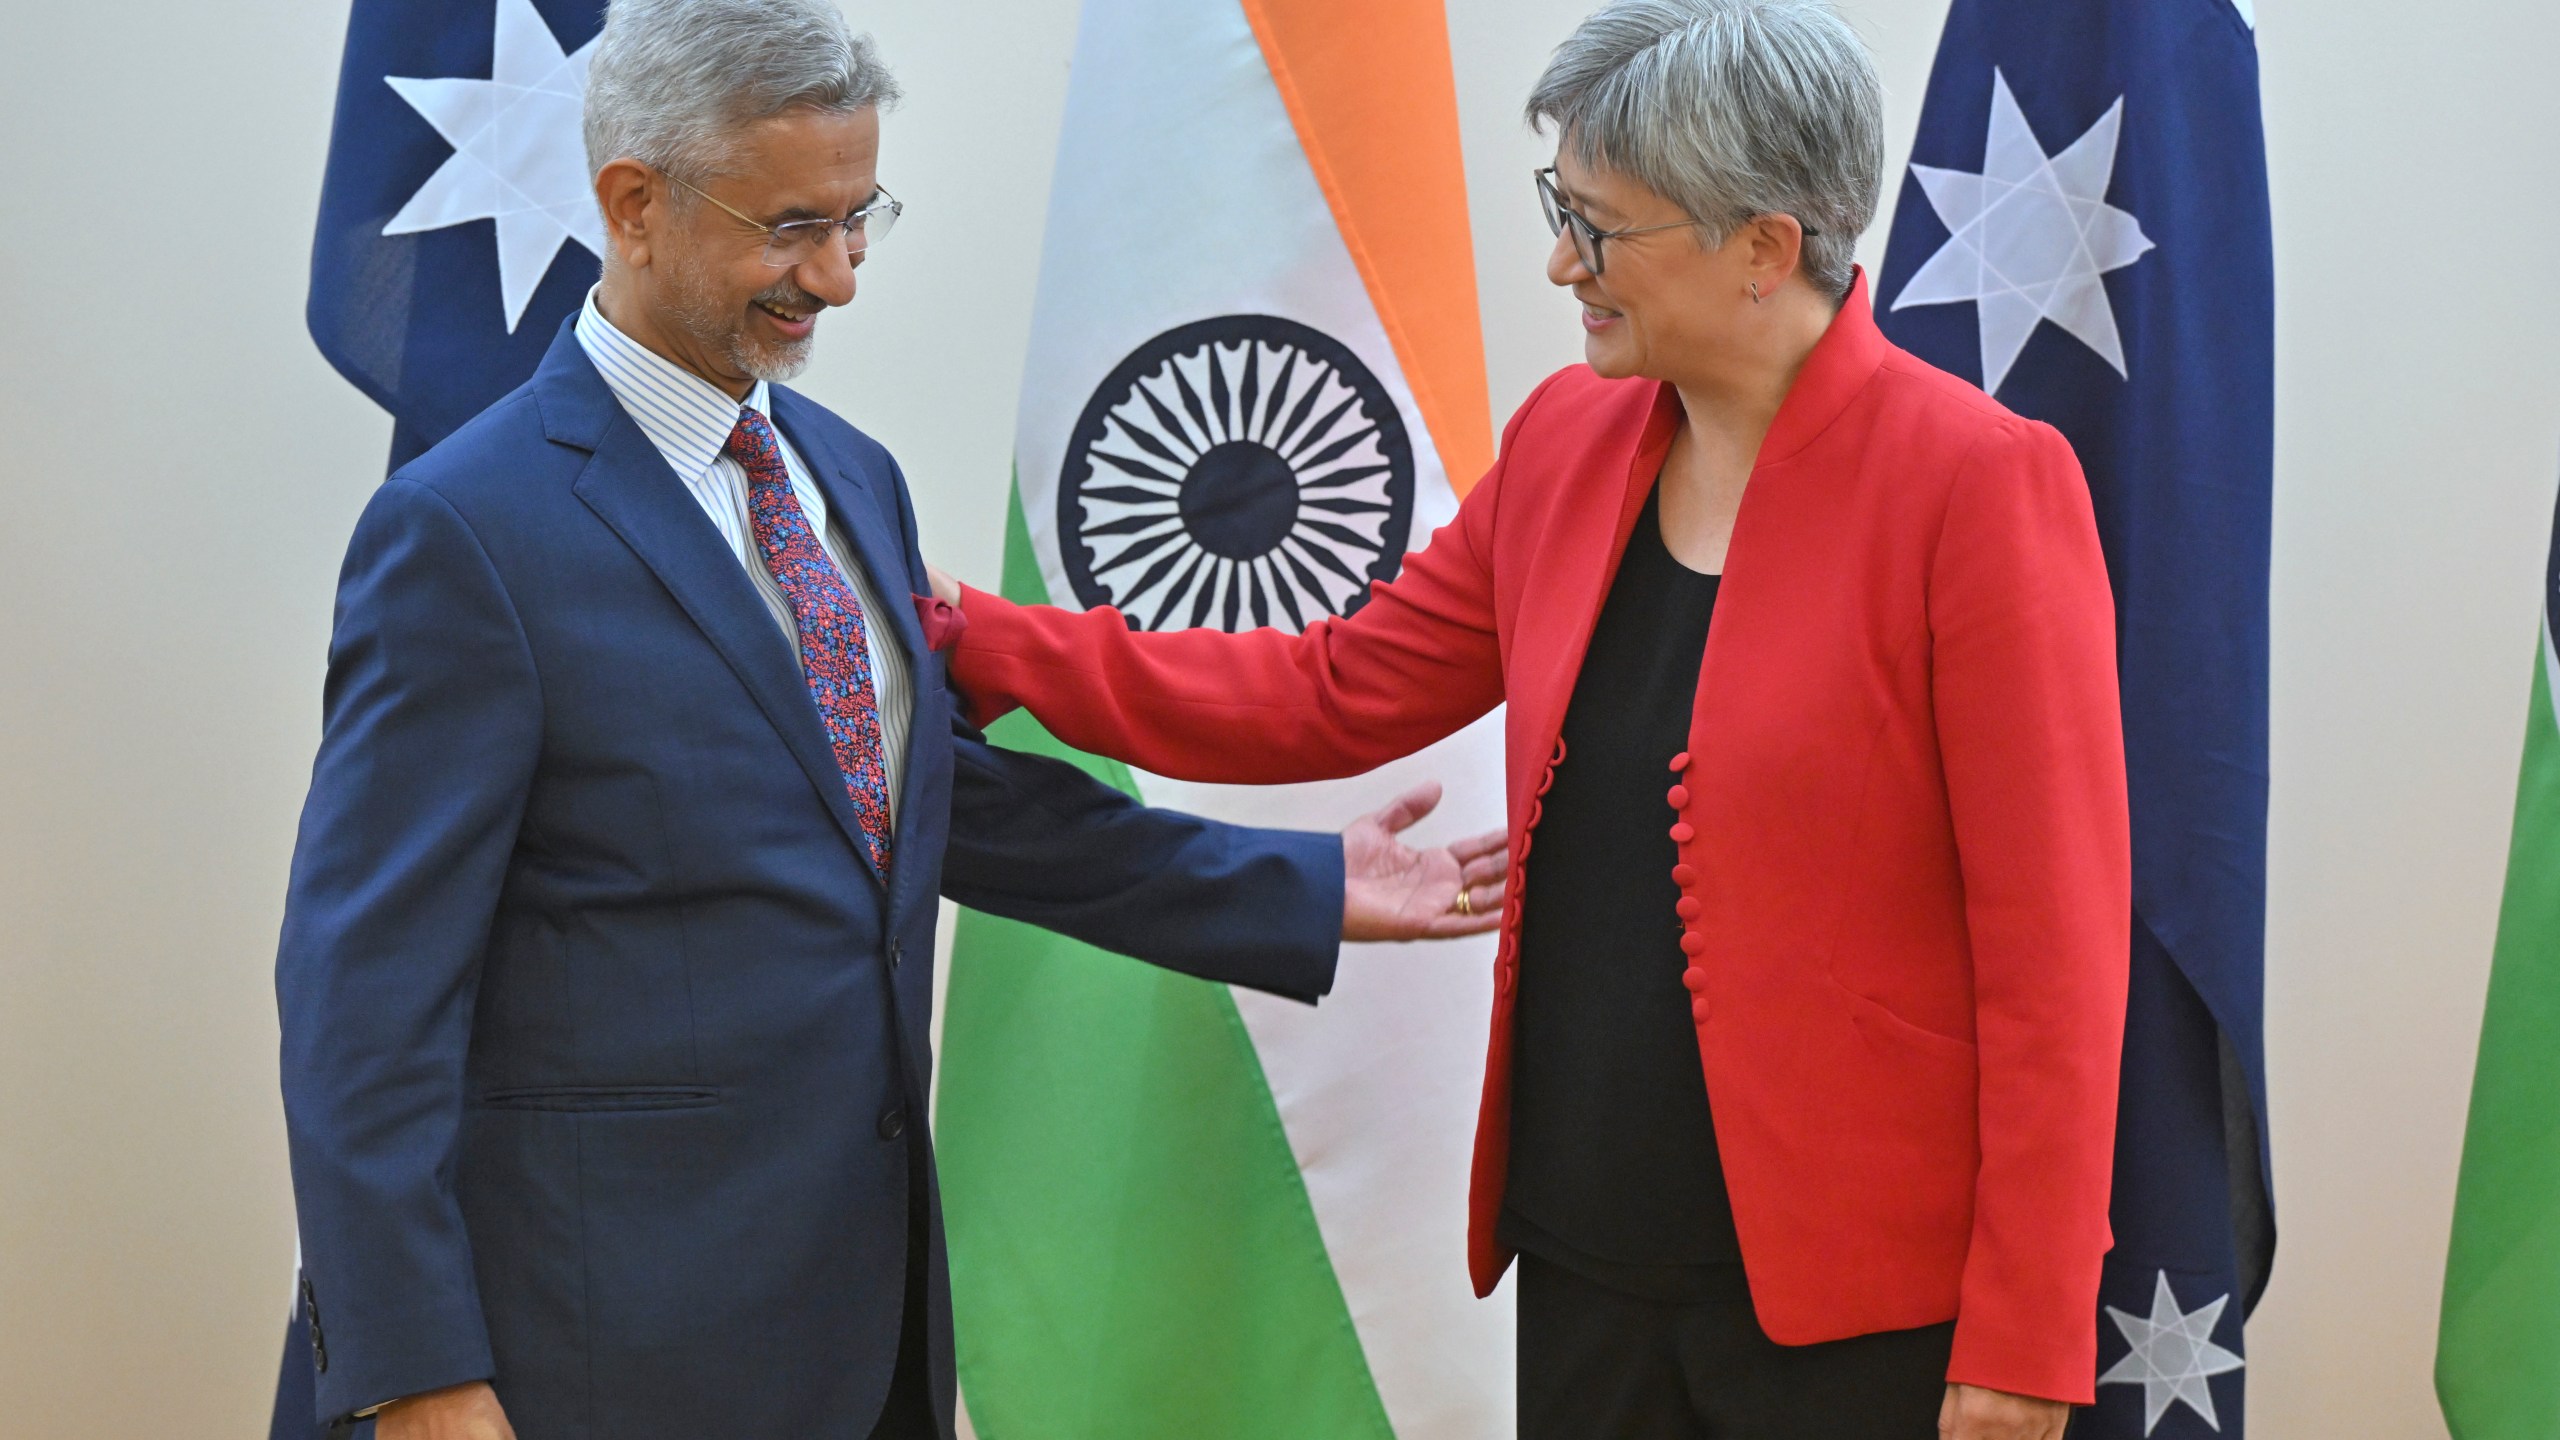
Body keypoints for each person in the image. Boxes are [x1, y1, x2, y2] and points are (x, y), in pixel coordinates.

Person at [273, 2, 1508, 1437]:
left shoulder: (848, 477)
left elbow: (928, 805)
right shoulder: (465, 533)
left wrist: (1298, 884)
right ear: (633, 204)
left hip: (858, 1330)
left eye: (863, 219)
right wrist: (419, 1370)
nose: (840, 281)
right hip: (595, 1354)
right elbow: (362, 1000)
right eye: (794, 227)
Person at [928, 1, 2131, 1436]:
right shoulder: (1569, 438)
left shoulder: (1978, 485)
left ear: (1766, 246)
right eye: (1562, 208)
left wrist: (2026, 1336)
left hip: (1855, 1309)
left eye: (1603, 228)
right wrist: (976, 639)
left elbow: (2055, 959)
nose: (1564, 262)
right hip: (1583, 1259)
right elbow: (1328, 689)